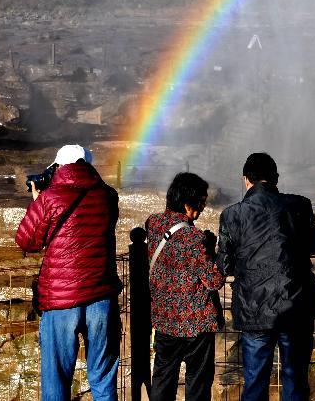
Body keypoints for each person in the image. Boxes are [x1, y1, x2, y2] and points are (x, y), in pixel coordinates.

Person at [16, 145, 121, 401]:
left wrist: (39, 201)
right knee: (103, 377)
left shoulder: (50, 198)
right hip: (101, 297)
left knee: (57, 380)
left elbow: (26, 240)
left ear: (59, 167)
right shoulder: (108, 196)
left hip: (62, 301)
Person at [216, 153, 315, 401]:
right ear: (275, 178)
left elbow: (225, 264)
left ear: (246, 180)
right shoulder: (300, 205)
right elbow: (314, 245)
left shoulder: (232, 215)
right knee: (295, 382)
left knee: (254, 383)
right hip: (296, 307)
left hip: (254, 309)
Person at [146, 172, 224, 401]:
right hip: (196, 324)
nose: (201, 210)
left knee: (162, 378)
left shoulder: (153, 224)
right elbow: (214, 281)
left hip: (164, 319)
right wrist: (210, 249)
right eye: (200, 203)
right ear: (187, 203)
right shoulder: (194, 237)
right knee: (197, 384)